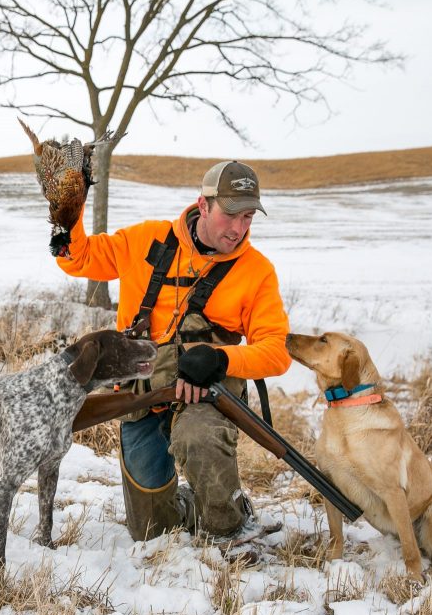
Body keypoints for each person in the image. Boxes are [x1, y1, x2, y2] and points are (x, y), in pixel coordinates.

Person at [56, 160, 290, 541]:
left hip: (207, 398)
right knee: (149, 531)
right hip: (142, 396)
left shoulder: (257, 271)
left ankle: (230, 525)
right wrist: (68, 209)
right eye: (230, 215)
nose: (238, 229)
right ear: (203, 205)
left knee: (197, 437)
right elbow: (77, 257)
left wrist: (220, 358)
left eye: (248, 217)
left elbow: (276, 352)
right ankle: (188, 504)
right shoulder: (145, 239)